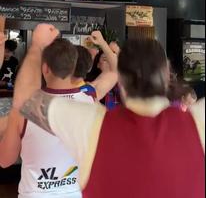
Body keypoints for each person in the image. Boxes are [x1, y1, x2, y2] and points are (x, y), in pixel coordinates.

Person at [12, 24, 205, 198]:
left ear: (120, 80)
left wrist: (37, 47)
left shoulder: (93, 125)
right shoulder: (198, 123)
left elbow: (24, 100)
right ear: (167, 72)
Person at [0, 29, 118, 198]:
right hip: (77, 193)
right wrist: (102, 43)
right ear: (73, 67)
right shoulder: (90, 97)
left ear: (45, 68)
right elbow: (114, 71)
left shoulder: (25, 110)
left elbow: (5, 161)